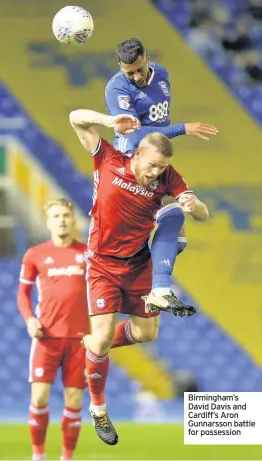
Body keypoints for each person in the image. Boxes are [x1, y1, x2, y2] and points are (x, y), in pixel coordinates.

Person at [69, 108, 209, 445]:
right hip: (102, 264)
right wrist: (107, 122)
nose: (156, 173)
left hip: (138, 263)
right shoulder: (107, 159)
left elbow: (202, 214)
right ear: (139, 153)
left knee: (145, 335)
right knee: (101, 338)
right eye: (152, 166)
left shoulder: (168, 178)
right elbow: (76, 117)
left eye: (162, 168)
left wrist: (193, 204)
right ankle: (99, 409)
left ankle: (90, 351)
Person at [105, 38, 217, 307]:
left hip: (153, 163)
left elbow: (154, 129)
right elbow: (134, 136)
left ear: (147, 58)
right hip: (130, 165)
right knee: (169, 221)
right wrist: (182, 128)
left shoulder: (162, 75)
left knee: (176, 227)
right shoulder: (116, 88)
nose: (135, 77)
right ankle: (155, 286)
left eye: (139, 69)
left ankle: (158, 289)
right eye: (128, 72)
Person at [17, 198, 89, 461]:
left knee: (74, 401)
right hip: (46, 338)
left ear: (74, 220)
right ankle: (38, 456)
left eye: (66, 215)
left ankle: (66, 457)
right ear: (48, 222)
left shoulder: (88, 253)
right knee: (39, 398)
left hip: (81, 340)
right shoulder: (35, 254)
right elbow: (23, 294)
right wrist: (29, 320)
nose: (61, 220)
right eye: (56, 216)